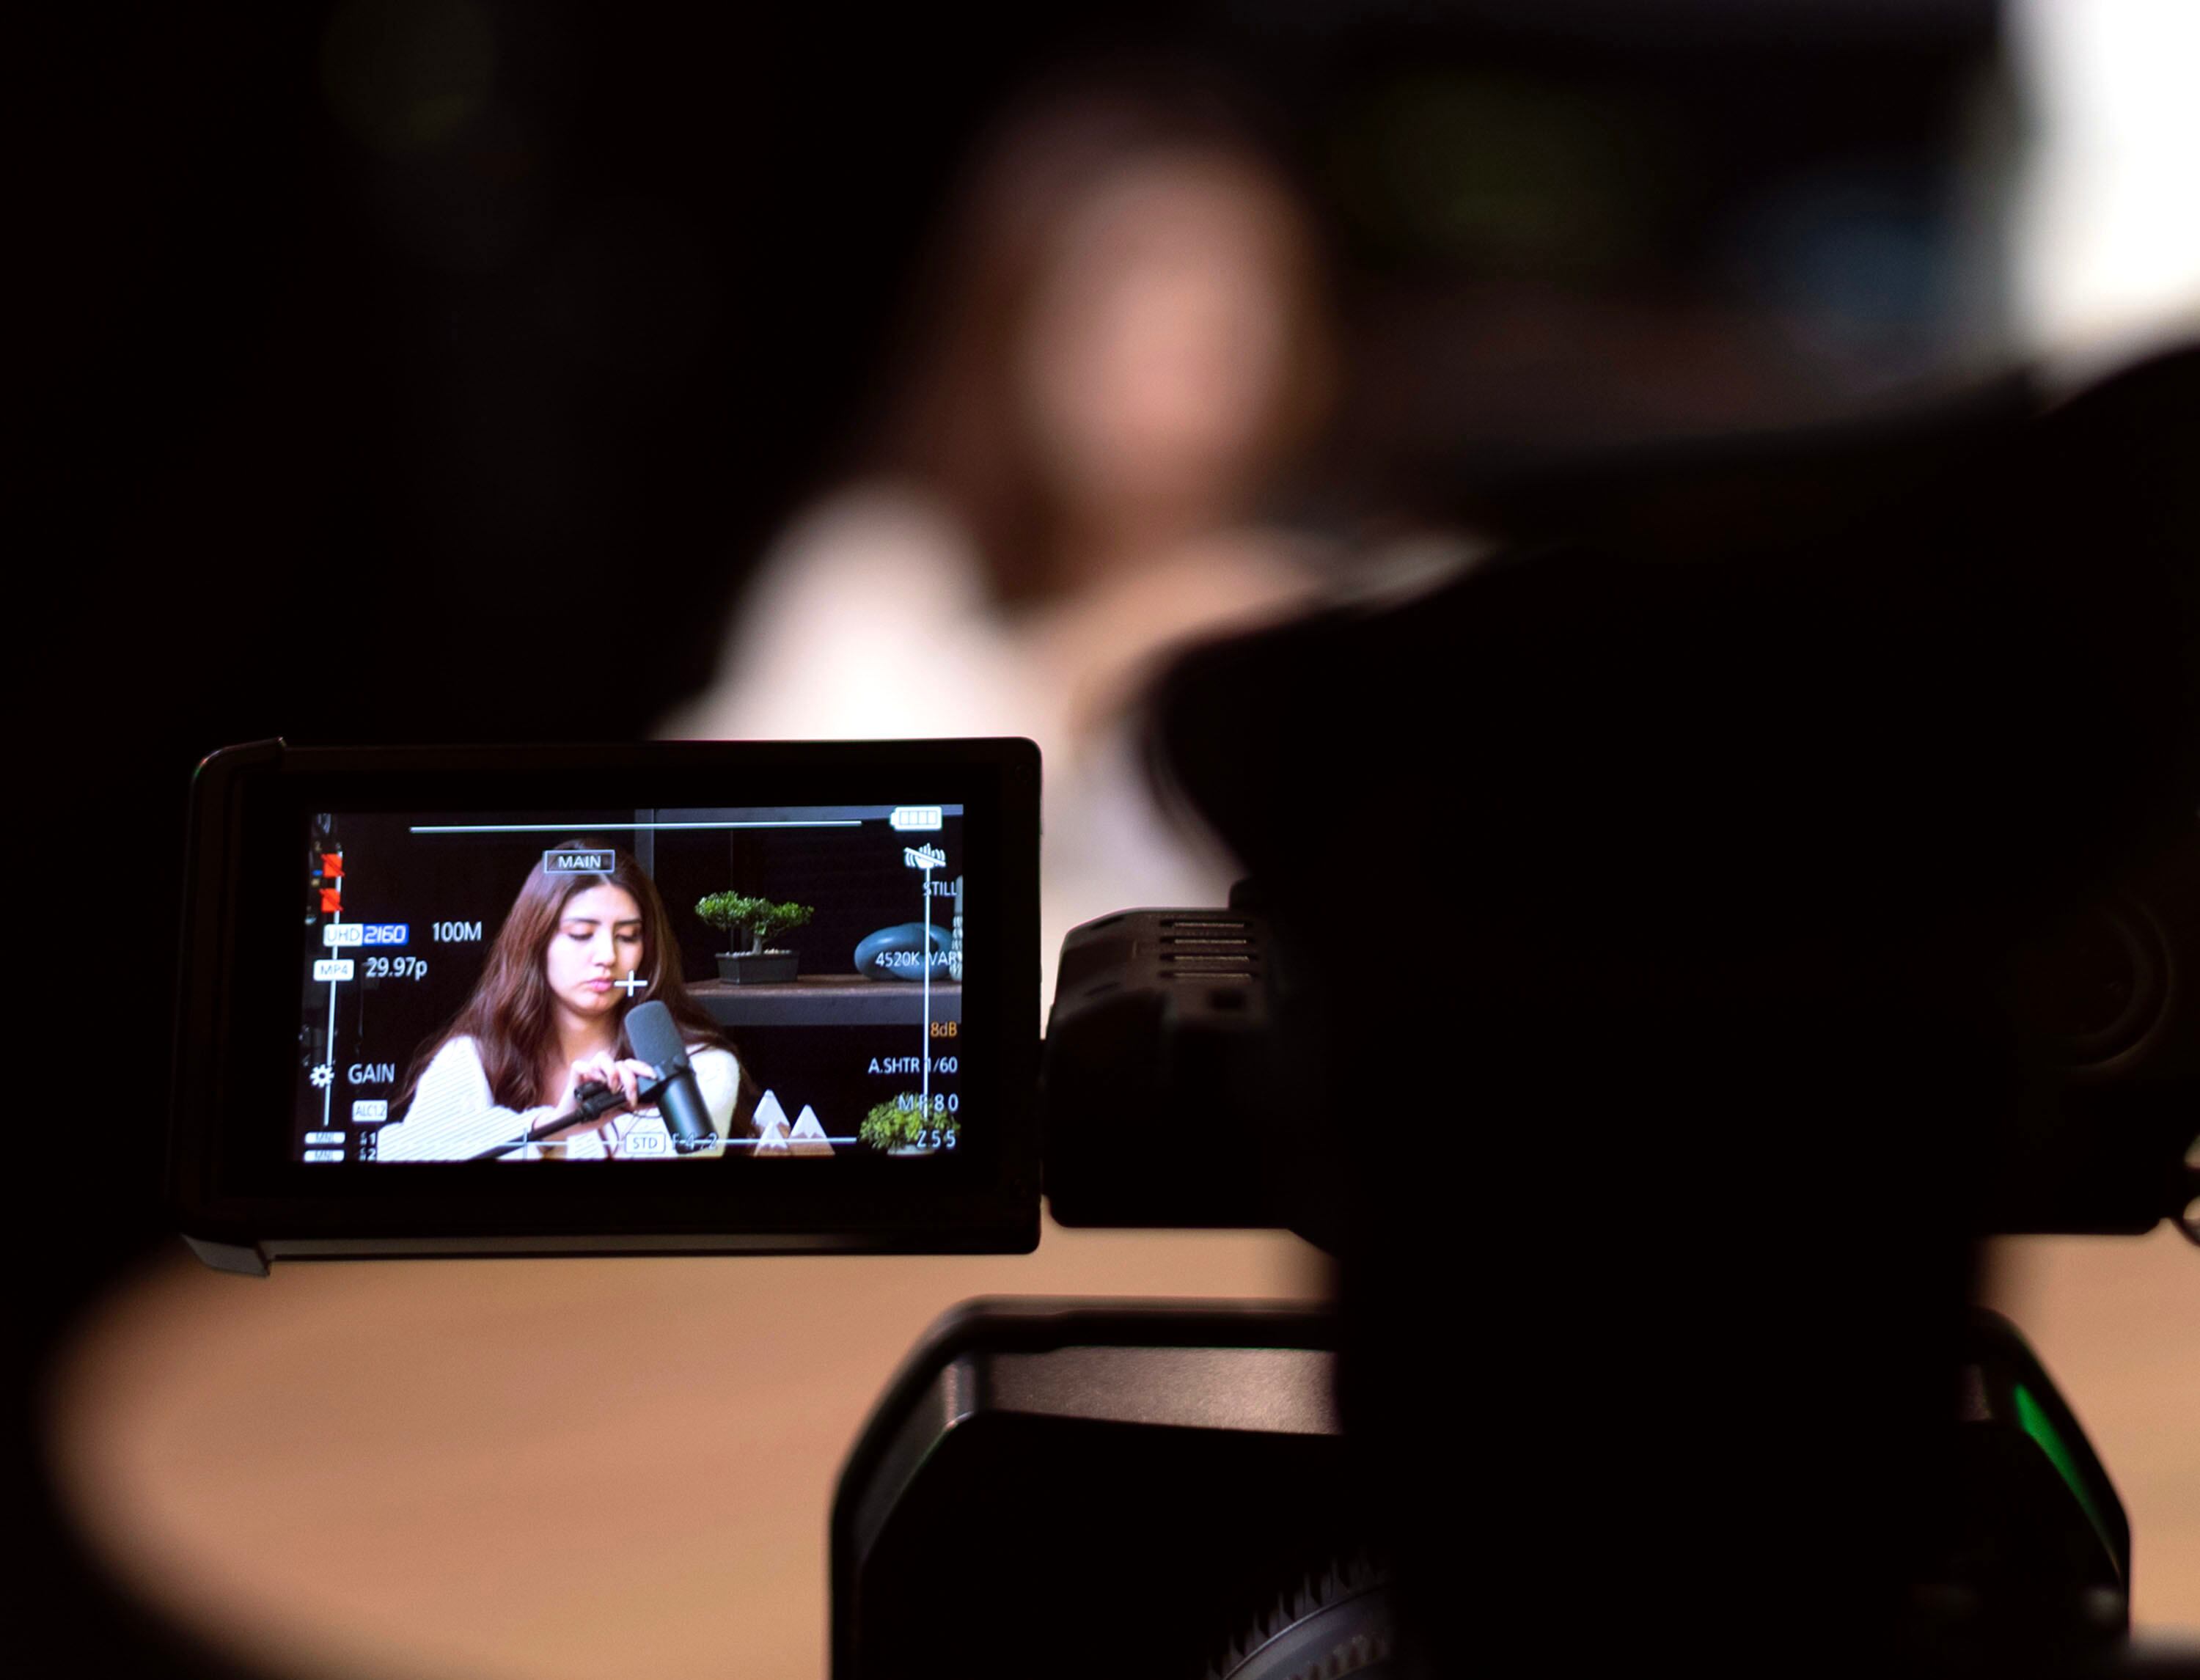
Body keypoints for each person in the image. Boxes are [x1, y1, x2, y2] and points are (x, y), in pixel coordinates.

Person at [661, 73, 1341, 987]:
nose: (1200, 358)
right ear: (1025, 317)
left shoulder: (1342, 599)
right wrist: (1084, 661)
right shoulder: (880, 573)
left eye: (1242, 307)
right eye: (1138, 293)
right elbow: (721, 854)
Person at [376, 844, 746, 1161]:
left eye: (628, 936)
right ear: (534, 943)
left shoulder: (704, 1067)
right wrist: (552, 1127)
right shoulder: (471, 1057)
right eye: (581, 934)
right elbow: (403, 1154)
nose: (607, 955)